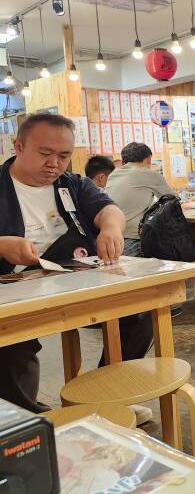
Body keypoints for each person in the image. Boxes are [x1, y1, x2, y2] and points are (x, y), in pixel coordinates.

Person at [0, 113, 153, 424]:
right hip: (13, 291)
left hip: (75, 280)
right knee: (9, 345)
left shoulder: (74, 185)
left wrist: (111, 228)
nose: (55, 164)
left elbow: (108, 209)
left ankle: (105, 400)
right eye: (45, 153)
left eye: (64, 156)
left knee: (139, 312)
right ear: (18, 146)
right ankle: (27, 424)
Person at [105, 142, 175, 257]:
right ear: (148, 160)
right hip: (134, 240)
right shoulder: (147, 173)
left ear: (123, 162)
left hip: (110, 241)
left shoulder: (113, 175)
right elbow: (173, 200)